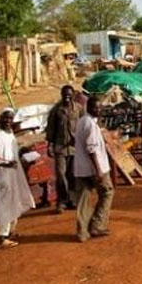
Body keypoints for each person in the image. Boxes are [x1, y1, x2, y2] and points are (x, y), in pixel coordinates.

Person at [0, 108, 36, 249]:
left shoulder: (10, 134)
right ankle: (1, 237)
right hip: (3, 175)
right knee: (4, 205)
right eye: (6, 118)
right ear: (0, 118)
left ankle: (10, 232)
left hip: (13, 174)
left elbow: (12, 153)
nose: (8, 121)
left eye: (10, 119)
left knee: (14, 201)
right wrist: (6, 163)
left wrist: (24, 154)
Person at [73, 96, 114, 242]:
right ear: (89, 108)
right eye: (96, 107)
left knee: (83, 200)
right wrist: (98, 171)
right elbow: (91, 149)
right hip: (94, 167)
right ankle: (97, 224)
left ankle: (82, 232)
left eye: (100, 107)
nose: (99, 110)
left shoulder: (82, 122)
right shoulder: (90, 124)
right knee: (107, 192)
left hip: (80, 168)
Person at [46, 85, 85, 214]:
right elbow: (51, 129)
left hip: (74, 147)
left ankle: (73, 199)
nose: (67, 97)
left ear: (73, 95)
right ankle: (62, 201)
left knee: (73, 174)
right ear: (61, 95)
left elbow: (85, 126)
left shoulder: (78, 109)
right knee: (61, 174)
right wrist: (49, 145)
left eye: (69, 94)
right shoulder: (56, 110)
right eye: (64, 94)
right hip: (60, 147)